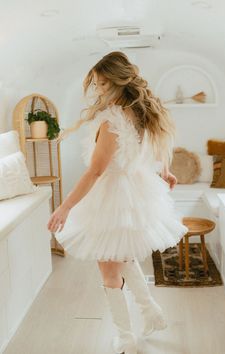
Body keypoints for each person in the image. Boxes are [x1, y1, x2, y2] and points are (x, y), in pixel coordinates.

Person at [47, 51, 188, 354]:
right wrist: (165, 169)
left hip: (112, 196)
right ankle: (152, 313)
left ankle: (125, 339)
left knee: (110, 272)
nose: (97, 91)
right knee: (122, 256)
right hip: (132, 192)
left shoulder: (112, 121)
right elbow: (158, 144)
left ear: (115, 83)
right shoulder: (140, 112)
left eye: (100, 85)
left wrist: (65, 207)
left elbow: (96, 171)